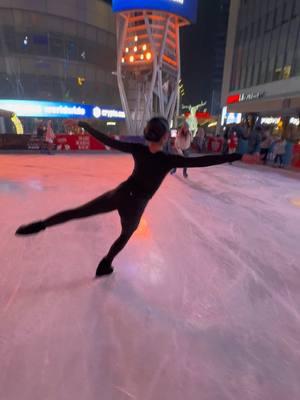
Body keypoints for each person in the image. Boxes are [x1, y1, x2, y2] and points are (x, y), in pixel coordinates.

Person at [15, 117, 242, 278]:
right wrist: (237, 155)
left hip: (121, 193)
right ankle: (105, 264)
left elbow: (109, 141)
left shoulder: (138, 149)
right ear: (165, 137)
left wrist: (84, 125)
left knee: (80, 211)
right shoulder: (168, 160)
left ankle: (40, 225)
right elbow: (202, 162)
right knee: (125, 234)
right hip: (136, 205)